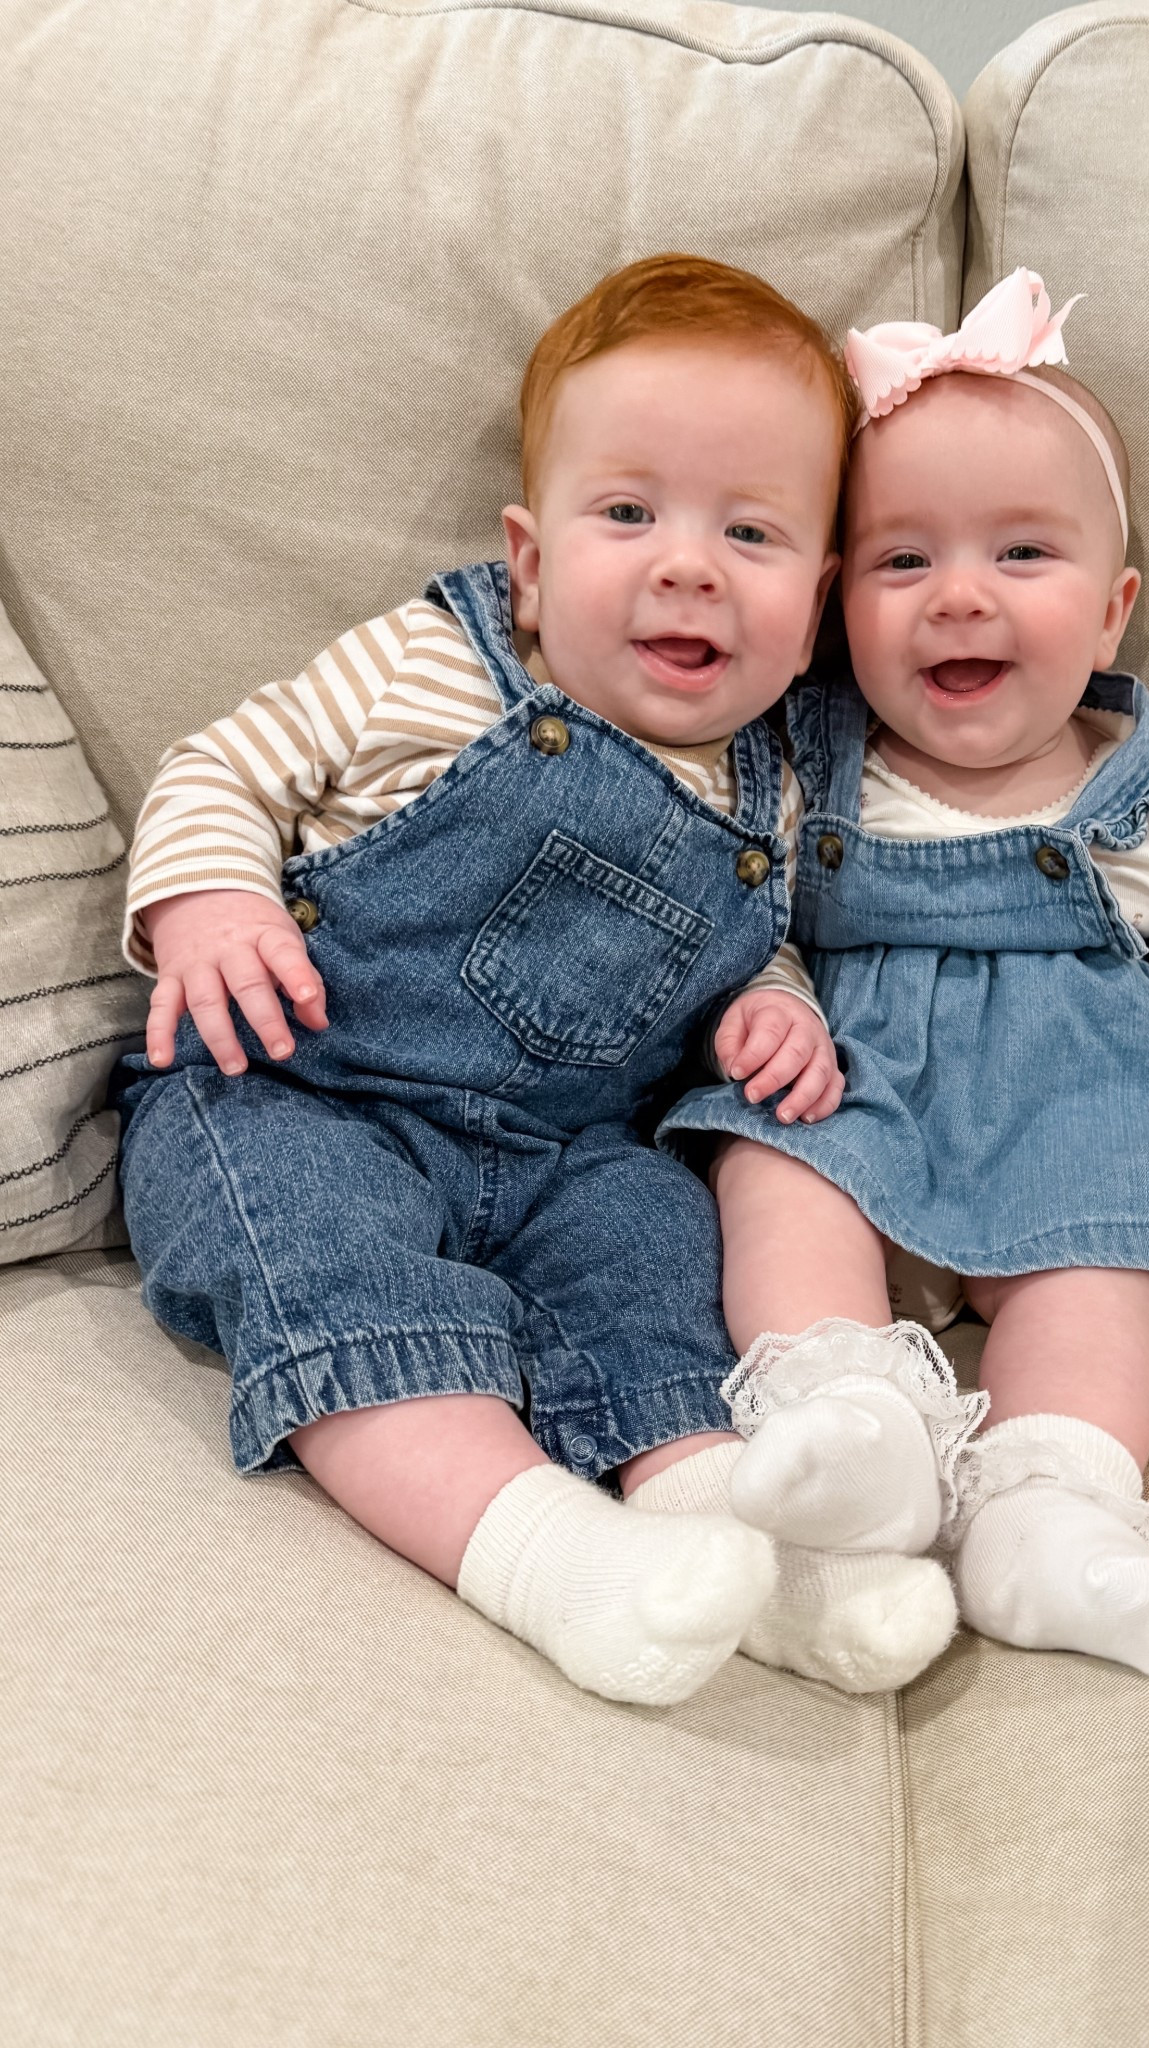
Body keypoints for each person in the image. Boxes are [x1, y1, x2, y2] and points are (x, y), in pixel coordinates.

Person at [113, 253, 958, 1706]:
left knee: (655, 1270)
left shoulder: (768, 791)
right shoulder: (426, 666)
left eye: (749, 532)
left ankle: (745, 1556)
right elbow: (222, 768)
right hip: (300, 1092)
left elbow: (759, 946)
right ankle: (551, 1559)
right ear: (532, 558)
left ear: (817, 600)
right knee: (332, 1269)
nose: (685, 563)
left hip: (569, 1150)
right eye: (628, 514)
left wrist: (778, 1015)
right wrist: (207, 905)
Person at [659, 267, 1149, 1679]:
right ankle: (851, 1425)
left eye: (1021, 556)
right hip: (854, 1100)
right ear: (832, 606)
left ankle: (1052, 1514)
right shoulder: (803, 763)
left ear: (1113, 610)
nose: (958, 598)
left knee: (1092, 1296)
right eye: (903, 561)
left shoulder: (1148, 801)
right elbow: (732, 916)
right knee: (772, 1176)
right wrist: (776, 1003)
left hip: (1074, 1123)